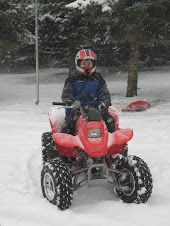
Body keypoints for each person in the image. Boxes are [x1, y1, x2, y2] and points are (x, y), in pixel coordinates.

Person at [61, 49, 115, 135]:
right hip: (77, 109)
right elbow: (66, 95)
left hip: (96, 108)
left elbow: (105, 94)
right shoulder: (72, 79)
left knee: (111, 122)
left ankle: (112, 143)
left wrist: (104, 104)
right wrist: (71, 104)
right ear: (78, 64)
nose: (87, 67)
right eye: (84, 64)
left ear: (93, 64)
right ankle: (64, 146)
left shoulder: (98, 78)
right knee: (67, 126)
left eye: (89, 64)